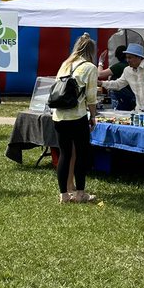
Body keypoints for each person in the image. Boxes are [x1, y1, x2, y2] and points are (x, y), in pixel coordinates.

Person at [52, 33, 100, 203]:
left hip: (59, 115)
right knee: (81, 154)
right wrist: (93, 116)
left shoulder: (65, 64)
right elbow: (91, 97)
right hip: (77, 116)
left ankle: (64, 194)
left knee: (64, 154)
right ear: (91, 51)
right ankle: (80, 193)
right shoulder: (90, 68)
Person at [101, 43, 144, 113]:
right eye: (126, 57)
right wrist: (101, 83)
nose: (127, 60)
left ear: (139, 57)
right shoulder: (127, 71)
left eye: (130, 58)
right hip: (139, 111)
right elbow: (118, 84)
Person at [104, 45, 136, 111]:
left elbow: (100, 74)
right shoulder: (128, 68)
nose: (128, 60)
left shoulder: (118, 66)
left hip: (120, 97)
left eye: (129, 57)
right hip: (130, 98)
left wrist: (100, 62)